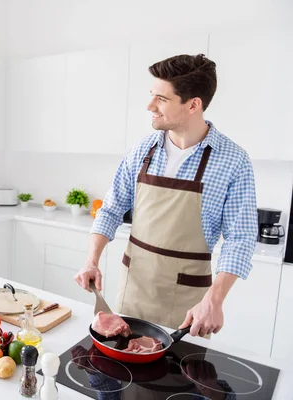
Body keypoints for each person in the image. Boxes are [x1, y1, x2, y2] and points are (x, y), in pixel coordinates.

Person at [74, 54, 257, 337]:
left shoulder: (233, 161)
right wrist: (91, 260)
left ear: (193, 104)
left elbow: (240, 239)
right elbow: (110, 210)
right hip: (131, 294)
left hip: (189, 306)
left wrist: (215, 300)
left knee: (178, 379)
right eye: (152, 96)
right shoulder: (141, 151)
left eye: (162, 99)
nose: (150, 106)